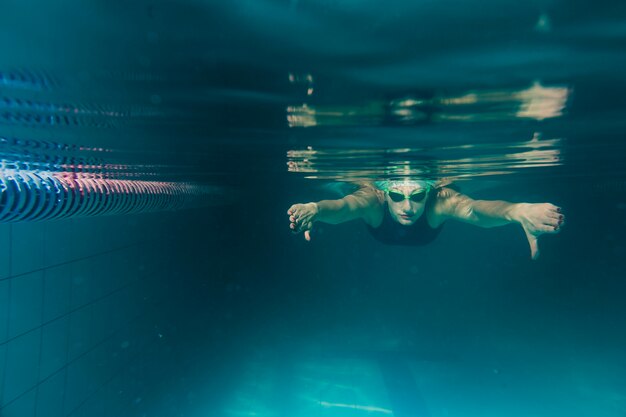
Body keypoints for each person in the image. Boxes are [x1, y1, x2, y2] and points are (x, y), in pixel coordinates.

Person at [287, 180, 564, 259]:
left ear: (428, 190)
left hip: (423, 234)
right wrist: (317, 209)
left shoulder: (439, 201)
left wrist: (517, 211)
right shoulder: (374, 200)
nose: (407, 206)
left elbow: (475, 210)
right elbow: (345, 206)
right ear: (386, 192)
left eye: (417, 195)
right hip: (382, 232)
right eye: (396, 196)